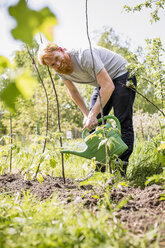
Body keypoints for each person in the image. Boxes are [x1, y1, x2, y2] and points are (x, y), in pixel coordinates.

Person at [38, 43, 137, 175]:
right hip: (102, 82)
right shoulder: (61, 71)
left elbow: (108, 86)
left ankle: (120, 169)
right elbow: (73, 92)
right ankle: (100, 167)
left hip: (121, 74)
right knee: (93, 125)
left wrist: (92, 114)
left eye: (57, 58)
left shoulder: (83, 55)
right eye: (52, 65)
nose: (57, 64)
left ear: (61, 50)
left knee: (122, 120)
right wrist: (87, 115)